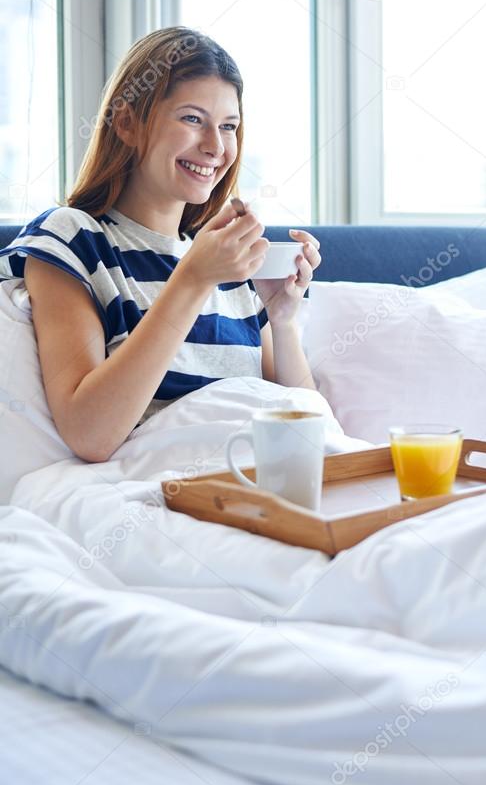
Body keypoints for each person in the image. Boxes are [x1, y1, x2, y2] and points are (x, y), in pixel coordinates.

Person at [0, 27, 321, 463]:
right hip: (165, 489)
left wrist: (283, 321)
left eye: (228, 126)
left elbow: (309, 430)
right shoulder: (74, 239)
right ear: (128, 122)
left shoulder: (227, 264)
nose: (215, 147)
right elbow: (89, 432)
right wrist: (192, 279)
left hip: (256, 478)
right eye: (192, 119)